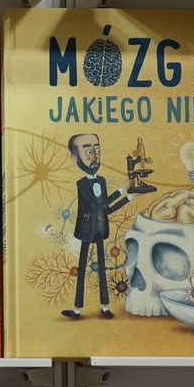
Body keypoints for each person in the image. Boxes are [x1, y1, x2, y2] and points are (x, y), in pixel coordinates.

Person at [62, 133, 133, 320]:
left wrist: (129, 197)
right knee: (82, 269)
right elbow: (97, 205)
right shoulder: (81, 183)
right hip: (86, 230)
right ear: (75, 158)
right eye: (88, 152)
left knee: (102, 268)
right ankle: (77, 309)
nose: (94, 157)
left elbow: (106, 210)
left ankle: (105, 307)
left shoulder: (101, 181)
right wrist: (121, 189)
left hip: (101, 229)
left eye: (97, 151)